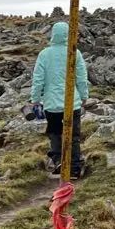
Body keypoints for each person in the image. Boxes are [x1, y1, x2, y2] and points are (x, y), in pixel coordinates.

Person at [30, 21, 89, 177]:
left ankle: (58, 162)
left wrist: (35, 99)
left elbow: (38, 79)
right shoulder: (74, 52)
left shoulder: (44, 54)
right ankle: (75, 166)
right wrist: (84, 97)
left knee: (55, 133)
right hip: (72, 103)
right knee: (74, 135)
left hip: (51, 105)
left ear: (53, 35)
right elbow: (81, 78)